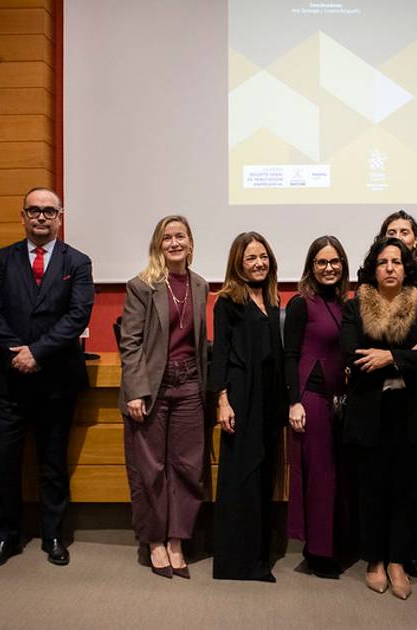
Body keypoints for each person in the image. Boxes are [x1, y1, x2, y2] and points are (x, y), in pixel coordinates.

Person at [0, 187, 95, 569]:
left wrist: (37, 352)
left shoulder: (77, 261)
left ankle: (53, 535)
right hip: (9, 380)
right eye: (34, 211)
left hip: (56, 381)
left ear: (60, 217)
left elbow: (77, 316)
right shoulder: (2, 259)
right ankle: (7, 536)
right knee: (6, 464)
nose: (41, 217)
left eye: (49, 211)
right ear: (23, 216)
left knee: (52, 463)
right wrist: (18, 351)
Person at [341, 237, 417, 600]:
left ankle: (398, 561)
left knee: (405, 490)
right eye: (383, 262)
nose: (390, 268)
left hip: (410, 412)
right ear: (373, 268)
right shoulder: (356, 307)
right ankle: (374, 561)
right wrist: (406, 355)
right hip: (369, 413)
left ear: (405, 269)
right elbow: (352, 356)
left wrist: (389, 358)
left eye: (397, 262)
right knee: (371, 490)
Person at [118, 215, 209, 579]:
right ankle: (154, 541)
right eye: (167, 237)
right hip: (152, 388)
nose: (174, 242)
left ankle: (177, 540)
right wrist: (136, 390)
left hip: (190, 385)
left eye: (180, 236)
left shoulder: (200, 284)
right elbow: (131, 342)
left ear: (190, 242)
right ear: (158, 244)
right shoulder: (142, 285)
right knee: (150, 469)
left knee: (188, 467)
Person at [211, 232, 287, 582]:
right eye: (250, 258)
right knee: (241, 476)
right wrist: (222, 401)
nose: (258, 263)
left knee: (264, 473)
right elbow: (221, 356)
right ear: (238, 264)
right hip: (241, 396)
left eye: (263, 257)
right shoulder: (227, 302)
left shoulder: (271, 300)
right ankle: (236, 562)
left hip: (270, 397)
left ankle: (259, 556)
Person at [376, 209, 417, 578]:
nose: (399, 235)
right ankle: (384, 551)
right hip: (384, 392)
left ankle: (412, 548)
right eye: (392, 231)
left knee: (415, 478)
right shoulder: (374, 279)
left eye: (406, 230)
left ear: (416, 237)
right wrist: (407, 353)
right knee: (386, 476)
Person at [284, 235, 349, 579]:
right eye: (322, 262)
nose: (329, 268)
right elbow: (291, 355)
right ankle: (318, 552)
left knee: (335, 475)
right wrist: (294, 401)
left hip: (338, 401)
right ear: (311, 266)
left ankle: (330, 543)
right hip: (311, 399)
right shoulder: (300, 304)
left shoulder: (344, 304)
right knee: (320, 478)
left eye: (334, 261)